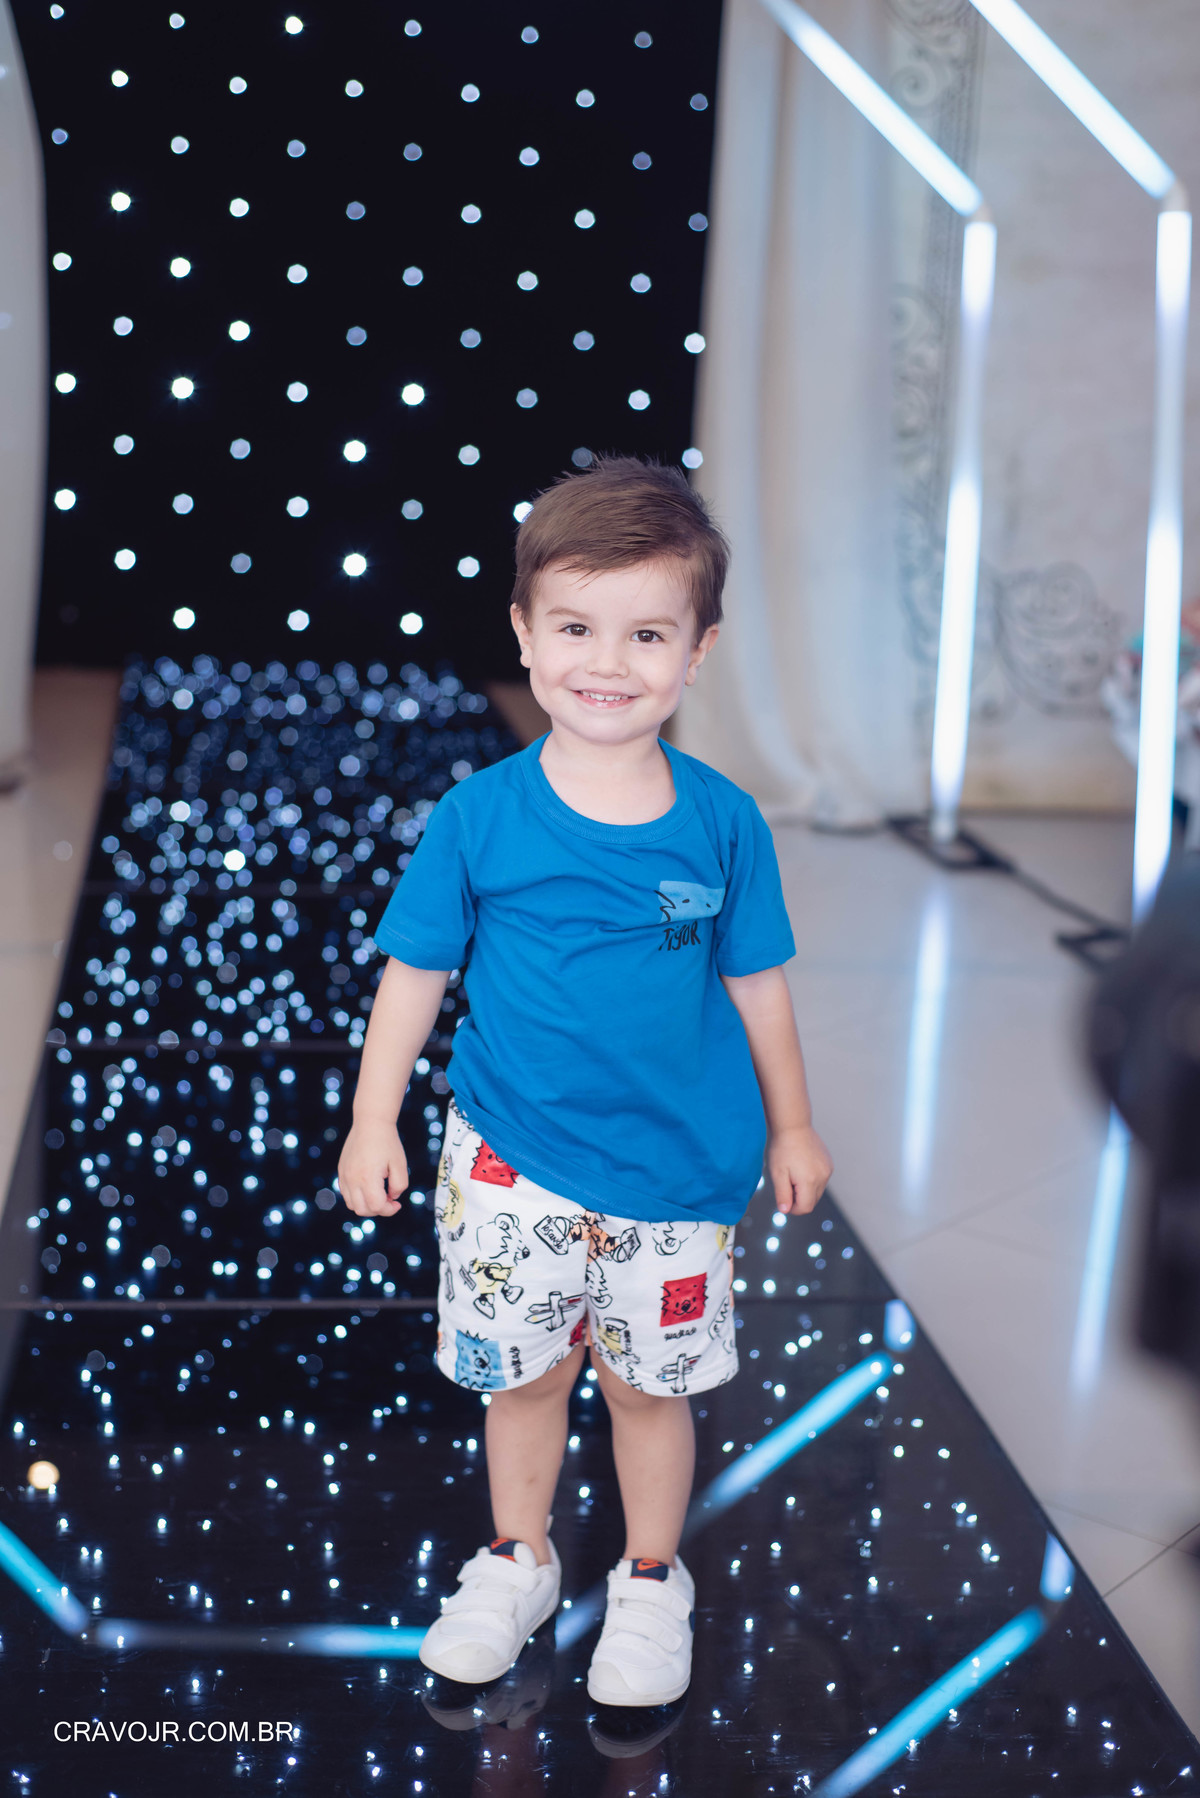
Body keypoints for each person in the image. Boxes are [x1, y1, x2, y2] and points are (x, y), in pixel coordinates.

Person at [337, 456, 833, 1707]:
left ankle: (652, 1578)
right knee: (524, 1376)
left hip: (675, 1171)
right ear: (524, 631)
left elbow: (759, 984)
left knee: (647, 1387)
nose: (607, 663)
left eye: (647, 634)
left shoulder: (723, 821)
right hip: (510, 1159)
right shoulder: (480, 816)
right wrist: (372, 1117)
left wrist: (794, 1125)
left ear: (698, 650)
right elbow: (414, 974)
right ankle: (518, 1559)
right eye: (575, 628)